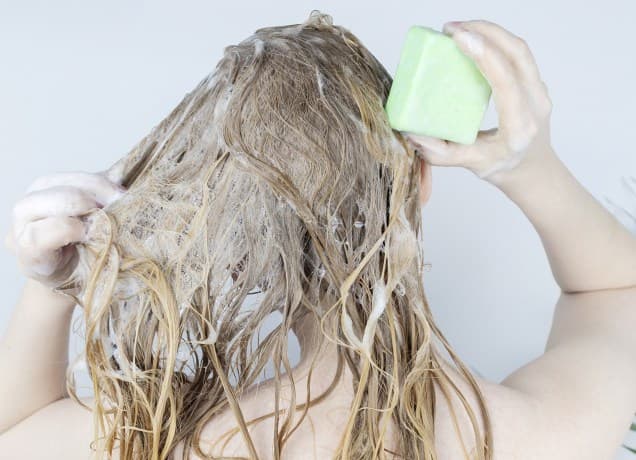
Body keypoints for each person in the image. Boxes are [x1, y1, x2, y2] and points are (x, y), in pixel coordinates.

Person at [2, 12, 636, 460]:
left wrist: (54, 293)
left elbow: (14, 434)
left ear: (233, 237)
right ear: (419, 182)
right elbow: (616, 290)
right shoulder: (528, 437)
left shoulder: (150, 440)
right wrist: (531, 168)